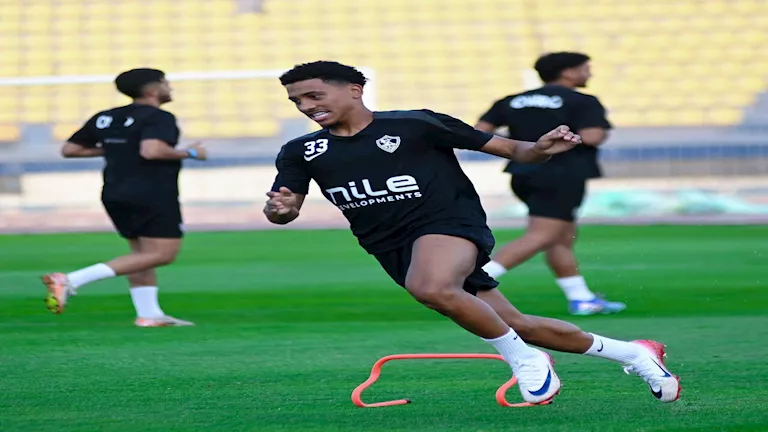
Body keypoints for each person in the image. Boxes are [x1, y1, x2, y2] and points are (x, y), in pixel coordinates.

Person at [264, 61, 681, 404]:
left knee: (431, 287)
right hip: (389, 246)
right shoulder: (301, 151)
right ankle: (635, 354)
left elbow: (510, 148)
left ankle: (525, 359)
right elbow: (286, 208)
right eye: (297, 101)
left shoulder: (416, 124)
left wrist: (540, 148)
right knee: (515, 322)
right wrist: (279, 209)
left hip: (449, 224)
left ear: (355, 90)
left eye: (314, 95)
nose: (306, 106)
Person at [41, 68, 207, 328]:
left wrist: (115, 148)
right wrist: (191, 153)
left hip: (115, 191)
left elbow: (70, 149)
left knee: (141, 253)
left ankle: (149, 314)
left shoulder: (106, 117)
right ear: (152, 89)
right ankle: (71, 280)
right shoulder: (159, 117)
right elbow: (152, 151)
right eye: (165, 83)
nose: (170, 88)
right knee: (163, 254)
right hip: (151, 192)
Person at [476, 52, 626, 316]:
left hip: (522, 172)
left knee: (560, 237)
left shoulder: (513, 100)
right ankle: (475, 281)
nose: (589, 73)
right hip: (562, 174)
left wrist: (520, 143)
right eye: (585, 68)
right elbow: (593, 136)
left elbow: (480, 130)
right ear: (568, 72)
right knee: (542, 235)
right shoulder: (582, 101)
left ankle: (581, 299)